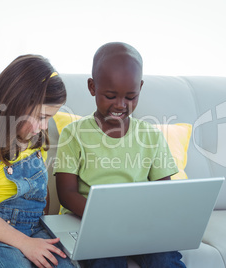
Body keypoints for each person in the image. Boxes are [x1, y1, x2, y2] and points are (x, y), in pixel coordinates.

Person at [54, 42, 186, 268]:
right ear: (92, 87)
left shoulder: (150, 136)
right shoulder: (74, 134)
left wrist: (142, 221)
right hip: (91, 223)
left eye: (131, 97)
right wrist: (105, 219)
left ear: (140, 88)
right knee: (108, 259)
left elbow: (163, 193)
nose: (121, 105)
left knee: (166, 259)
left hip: (139, 225)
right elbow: (66, 193)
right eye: (110, 95)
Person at [0, 55, 75, 268]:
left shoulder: (35, 142)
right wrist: (25, 244)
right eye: (41, 117)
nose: (44, 126)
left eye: (49, 118)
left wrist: (45, 230)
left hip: (34, 229)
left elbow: (40, 193)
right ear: (15, 105)